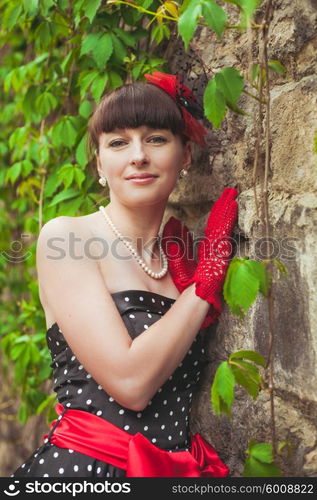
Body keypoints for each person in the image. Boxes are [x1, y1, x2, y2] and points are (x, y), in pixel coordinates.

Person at [12, 72, 238, 478]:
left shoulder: (180, 260)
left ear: (185, 155)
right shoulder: (69, 237)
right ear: (99, 162)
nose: (138, 156)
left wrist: (197, 278)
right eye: (118, 142)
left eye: (155, 139)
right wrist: (205, 285)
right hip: (85, 472)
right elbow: (131, 384)